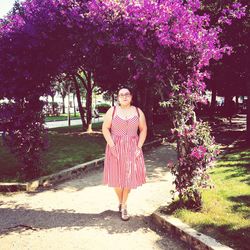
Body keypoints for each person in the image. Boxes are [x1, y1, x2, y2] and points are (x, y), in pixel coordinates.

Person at [102, 87, 147, 221]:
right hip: (114, 146)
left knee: (129, 177)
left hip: (132, 147)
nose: (124, 97)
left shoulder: (138, 112)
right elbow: (105, 128)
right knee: (115, 179)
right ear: (118, 97)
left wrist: (139, 146)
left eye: (127, 94)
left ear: (131, 96)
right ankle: (121, 202)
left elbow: (143, 129)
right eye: (121, 95)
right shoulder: (113, 111)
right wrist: (111, 145)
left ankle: (124, 205)